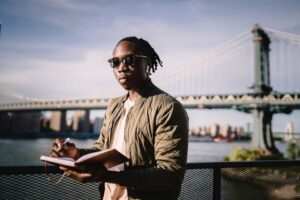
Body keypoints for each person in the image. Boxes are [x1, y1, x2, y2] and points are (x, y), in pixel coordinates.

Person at [50, 36, 189, 200]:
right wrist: (75, 153)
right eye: (115, 62)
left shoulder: (167, 107)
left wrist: (106, 176)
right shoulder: (113, 106)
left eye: (129, 59)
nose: (121, 67)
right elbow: (101, 150)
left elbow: (170, 175)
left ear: (148, 63)